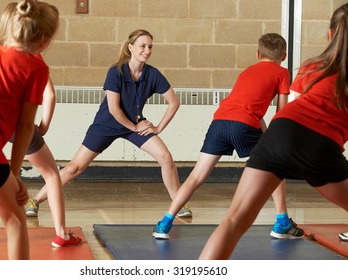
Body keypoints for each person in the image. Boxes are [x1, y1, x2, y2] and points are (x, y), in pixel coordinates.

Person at [198, 3, 348, 259]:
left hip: (281, 131)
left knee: (234, 221)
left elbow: (293, 104)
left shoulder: (313, 66)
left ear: (331, 34)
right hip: (320, 145)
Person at [24, 29, 192, 217]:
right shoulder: (116, 71)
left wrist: (158, 127)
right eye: (142, 46)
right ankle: (35, 200)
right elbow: (114, 109)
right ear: (131, 47)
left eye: (150, 46)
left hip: (135, 125)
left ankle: (178, 204)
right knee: (74, 168)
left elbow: (174, 102)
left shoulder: (153, 74)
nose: (147, 50)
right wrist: (135, 127)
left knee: (166, 158)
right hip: (107, 125)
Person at [153, 33, 304, 240]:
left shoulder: (247, 71)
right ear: (284, 55)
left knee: (197, 175)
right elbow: (281, 111)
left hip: (220, 122)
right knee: (275, 169)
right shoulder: (282, 73)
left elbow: (247, 105)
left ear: (258, 54)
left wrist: (266, 134)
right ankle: (282, 223)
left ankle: (164, 223)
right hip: (243, 125)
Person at [0, 1, 82, 248]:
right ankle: (61, 234)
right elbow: (28, 122)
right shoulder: (36, 66)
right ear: (45, 41)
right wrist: (14, 173)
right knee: (26, 206)